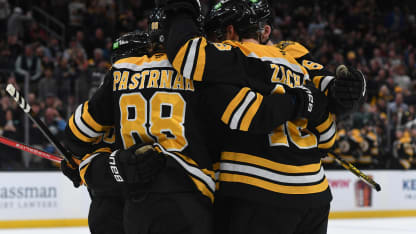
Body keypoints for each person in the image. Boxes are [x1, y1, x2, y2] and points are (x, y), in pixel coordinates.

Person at [63, 6, 332, 234]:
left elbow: (75, 135)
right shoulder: (200, 75)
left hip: (132, 205)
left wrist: (88, 166)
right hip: (189, 196)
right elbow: (228, 129)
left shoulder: (122, 71)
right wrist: (300, 101)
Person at [163, 0, 366, 233]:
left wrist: (181, 11)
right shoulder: (294, 60)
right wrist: (342, 91)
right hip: (315, 195)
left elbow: (187, 55)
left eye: (218, 34)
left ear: (230, 31)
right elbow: (330, 120)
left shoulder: (234, 54)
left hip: (256, 191)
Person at [61, 31, 151, 234]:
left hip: (109, 203)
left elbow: (76, 136)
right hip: (146, 200)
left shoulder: (108, 91)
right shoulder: (161, 90)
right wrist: (78, 163)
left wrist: (78, 161)